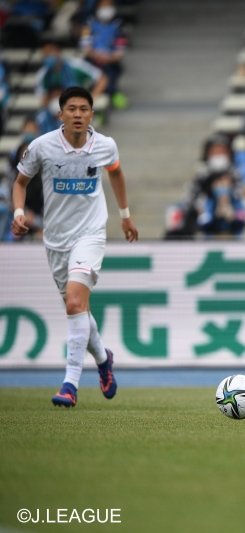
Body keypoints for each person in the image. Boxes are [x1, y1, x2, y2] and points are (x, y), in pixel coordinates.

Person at [11, 86, 138, 408]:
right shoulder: (41, 146)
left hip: (90, 234)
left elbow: (116, 173)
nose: (78, 114)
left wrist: (124, 216)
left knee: (74, 302)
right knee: (77, 308)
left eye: (83, 109)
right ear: (61, 115)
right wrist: (18, 212)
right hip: (56, 239)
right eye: (72, 109)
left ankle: (70, 384)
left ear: (92, 114)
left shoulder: (105, 145)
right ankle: (104, 358)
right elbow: (20, 182)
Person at [80, 0, 127, 109]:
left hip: (110, 60)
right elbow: (85, 44)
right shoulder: (89, 23)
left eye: (109, 5)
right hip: (92, 58)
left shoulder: (119, 24)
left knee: (111, 73)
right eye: (103, 5)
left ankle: (112, 95)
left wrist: (109, 58)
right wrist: (95, 55)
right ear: (97, 7)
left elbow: (120, 49)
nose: (106, 8)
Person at [35, 41, 108, 106]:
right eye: (46, 54)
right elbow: (42, 98)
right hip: (56, 108)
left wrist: (91, 99)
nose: (48, 56)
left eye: (50, 53)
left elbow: (102, 79)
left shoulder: (75, 65)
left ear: (59, 53)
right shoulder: (43, 73)